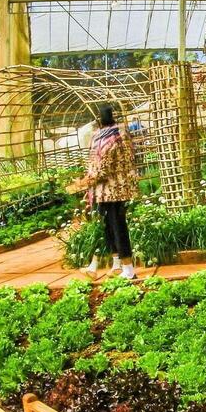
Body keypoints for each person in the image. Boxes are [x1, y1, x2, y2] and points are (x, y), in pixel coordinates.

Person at [82, 104, 139, 280]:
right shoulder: (122, 134)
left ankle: (128, 269)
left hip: (109, 190)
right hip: (118, 187)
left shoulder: (106, 138)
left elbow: (102, 167)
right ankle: (117, 265)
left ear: (100, 120)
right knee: (111, 227)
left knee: (117, 227)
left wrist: (86, 181)